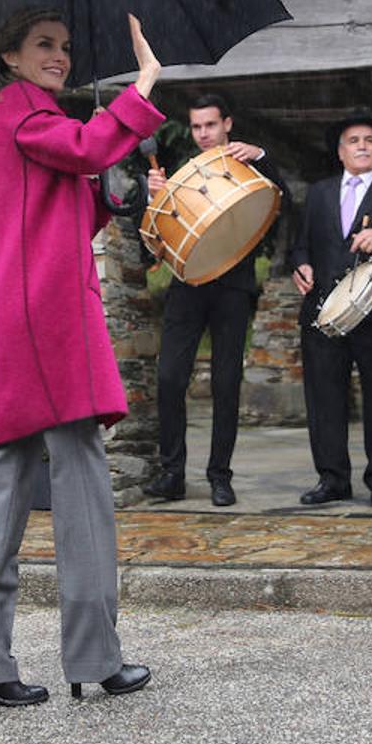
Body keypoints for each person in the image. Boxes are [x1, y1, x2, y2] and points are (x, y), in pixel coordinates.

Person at [0, 8, 160, 710]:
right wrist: (146, 82)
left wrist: (108, 190)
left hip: (24, 314)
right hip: (47, 317)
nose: (60, 56)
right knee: (83, 481)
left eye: (66, 47)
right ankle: (96, 657)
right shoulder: (22, 111)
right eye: (44, 45)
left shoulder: (17, 117)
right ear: (8, 55)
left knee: (3, 478)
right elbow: (87, 147)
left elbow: (65, 204)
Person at [141, 94, 287, 507]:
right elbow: (159, 239)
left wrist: (262, 154)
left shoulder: (247, 161)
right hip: (187, 285)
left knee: (226, 383)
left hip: (233, 286)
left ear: (227, 124)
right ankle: (171, 473)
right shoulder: (188, 173)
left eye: (210, 125)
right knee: (169, 377)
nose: (203, 134)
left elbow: (283, 198)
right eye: (197, 127)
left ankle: (220, 475)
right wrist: (156, 197)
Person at [288, 112, 372, 509]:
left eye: (370, 140)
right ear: (339, 150)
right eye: (353, 140)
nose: (362, 146)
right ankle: (331, 478)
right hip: (324, 312)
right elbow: (300, 243)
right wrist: (302, 265)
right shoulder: (319, 192)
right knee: (324, 397)